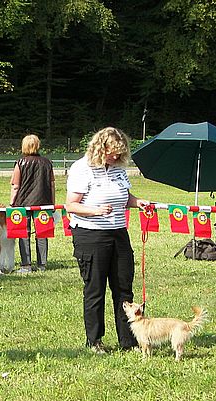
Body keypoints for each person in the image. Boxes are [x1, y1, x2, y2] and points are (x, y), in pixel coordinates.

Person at [65, 127, 151, 353]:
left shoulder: (118, 169)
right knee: (95, 289)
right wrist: (95, 211)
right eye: (113, 152)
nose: (117, 156)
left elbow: (124, 196)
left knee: (124, 288)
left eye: (120, 153)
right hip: (91, 235)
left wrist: (137, 202)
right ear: (100, 148)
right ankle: (94, 341)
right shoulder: (82, 168)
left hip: (118, 233)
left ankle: (128, 341)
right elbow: (71, 205)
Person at [10, 134, 56, 273]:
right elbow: (52, 184)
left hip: (23, 203)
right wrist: (52, 203)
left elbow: (15, 185)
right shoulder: (47, 163)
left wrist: (12, 202)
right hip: (44, 202)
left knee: (24, 233)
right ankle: (42, 264)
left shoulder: (20, 163)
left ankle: (26, 265)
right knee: (42, 233)